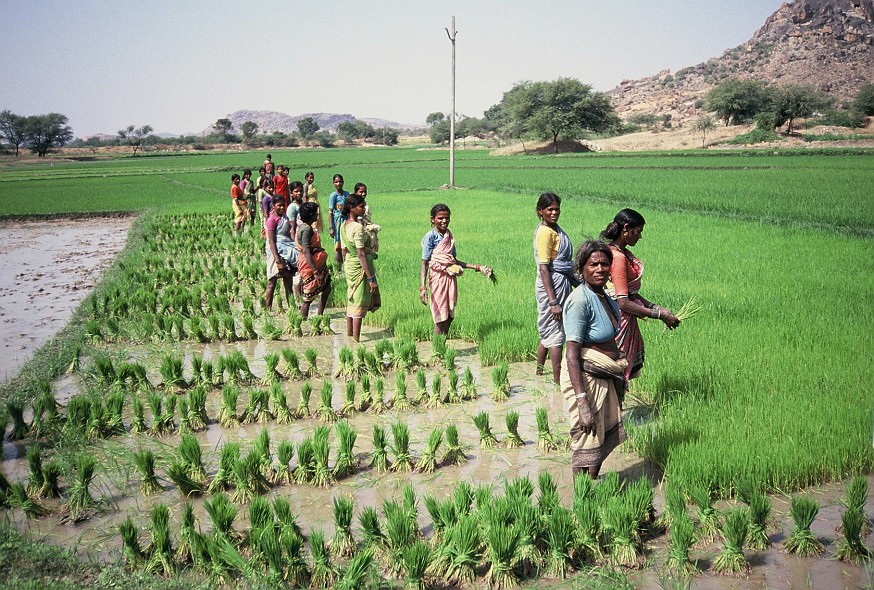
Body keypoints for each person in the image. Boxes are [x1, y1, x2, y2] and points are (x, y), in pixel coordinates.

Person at [561, 240, 626, 478]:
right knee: (585, 437)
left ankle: (593, 481)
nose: (600, 269)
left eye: (604, 264)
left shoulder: (604, 297)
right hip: (585, 380)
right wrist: (582, 401)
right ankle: (582, 498)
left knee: (601, 435)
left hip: (604, 376)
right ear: (582, 269)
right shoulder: (580, 300)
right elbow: (572, 353)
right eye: (593, 264)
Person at [601, 208, 680, 379]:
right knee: (617, 372)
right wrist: (658, 314)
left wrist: (655, 306)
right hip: (620, 320)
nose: (639, 236)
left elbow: (630, 294)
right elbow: (623, 301)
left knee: (618, 373)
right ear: (626, 229)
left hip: (617, 315)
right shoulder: (619, 257)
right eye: (638, 232)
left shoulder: (621, 252)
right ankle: (614, 405)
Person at [419, 204, 492, 335]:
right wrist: (422, 288)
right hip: (437, 279)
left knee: (449, 316)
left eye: (447, 218)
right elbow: (425, 263)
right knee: (440, 317)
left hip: (450, 279)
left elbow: (453, 261)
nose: (444, 221)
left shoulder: (449, 237)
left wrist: (477, 267)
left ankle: (441, 343)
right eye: (440, 218)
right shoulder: (430, 236)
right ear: (432, 219)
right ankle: (437, 350)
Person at [533, 192, 578, 384]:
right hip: (552, 284)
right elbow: (544, 268)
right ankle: (558, 381)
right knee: (556, 332)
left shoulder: (554, 230)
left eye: (557, 209)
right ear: (540, 211)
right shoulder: (545, 233)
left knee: (548, 331)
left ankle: (538, 372)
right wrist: (553, 302)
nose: (554, 212)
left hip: (558, 281)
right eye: (550, 209)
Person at [339, 194, 380, 341]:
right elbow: (361, 253)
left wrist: (346, 265)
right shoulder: (357, 227)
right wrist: (370, 277)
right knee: (359, 302)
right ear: (352, 208)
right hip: (360, 266)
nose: (364, 209)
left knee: (352, 298)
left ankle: (350, 335)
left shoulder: (343, 226)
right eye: (361, 207)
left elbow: (344, 249)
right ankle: (356, 340)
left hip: (350, 265)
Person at [296, 202, 332, 319]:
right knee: (308, 297)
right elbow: (306, 250)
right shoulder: (306, 229)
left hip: (313, 262)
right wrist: (314, 271)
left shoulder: (304, 227)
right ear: (310, 215)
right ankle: (304, 320)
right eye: (316, 213)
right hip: (310, 264)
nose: (317, 216)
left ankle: (319, 315)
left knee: (326, 287)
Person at [264, 197, 296, 310]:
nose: (282, 207)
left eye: (283, 205)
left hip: (285, 251)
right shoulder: (271, 220)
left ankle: (292, 308)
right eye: (279, 205)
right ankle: (267, 310)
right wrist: (277, 261)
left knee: (288, 282)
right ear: (273, 205)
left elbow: (287, 235)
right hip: (274, 253)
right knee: (272, 283)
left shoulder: (284, 218)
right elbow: (272, 241)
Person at [328, 174, 349, 263]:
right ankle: (338, 267)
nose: (338, 183)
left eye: (340, 181)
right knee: (338, 244)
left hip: (346, 220)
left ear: (343, 182)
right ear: (333, 183)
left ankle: (346, 265)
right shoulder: (333, 196)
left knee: (347, 244)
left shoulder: (347, 194)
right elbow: (330, 212)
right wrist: (331, 227)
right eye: (336, 182)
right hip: (338, 221)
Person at [353, 182, 380, 252]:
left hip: (368, 231)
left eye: (365, 192)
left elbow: (368, 220)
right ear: (355, 192)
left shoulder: (365, 204)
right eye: (361, 192)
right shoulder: (354, 205)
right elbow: (358, 220)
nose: (363, 194)